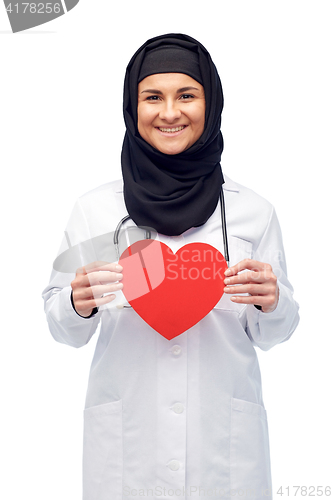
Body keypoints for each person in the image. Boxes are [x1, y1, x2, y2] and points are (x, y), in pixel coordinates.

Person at [42, 33, 299, 500]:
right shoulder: (95, 210)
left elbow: (275, 334)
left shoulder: (252, 212)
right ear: (131, 107)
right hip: (127, 455)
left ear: (212, 103)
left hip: (223, 456)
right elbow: (64, 330)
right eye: (152, 97)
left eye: (187, 95)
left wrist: (274, 302)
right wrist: (76, 306)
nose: (169, 112)